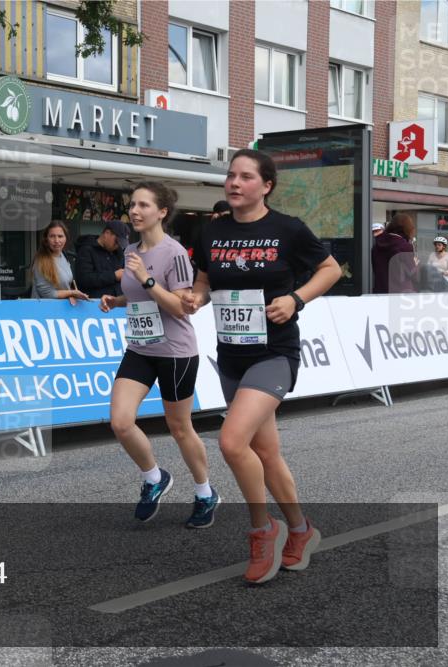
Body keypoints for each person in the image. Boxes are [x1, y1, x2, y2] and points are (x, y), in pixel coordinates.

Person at [182, 149, 341, 584]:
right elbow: (205, 277)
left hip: (275, 355)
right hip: (231, 356)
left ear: (266, 185)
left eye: (245, 177)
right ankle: (302, 531)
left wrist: (296, 299)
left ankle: (262, 530)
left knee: (233, 443)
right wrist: (196, 297)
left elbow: (330, 268)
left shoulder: (287, 229)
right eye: (230, 175)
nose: (234, 183)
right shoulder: (212, 231)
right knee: (267, 454)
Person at [99, 182, 219, 528]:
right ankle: (154, 478)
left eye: (143, 205)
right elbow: (138, 297)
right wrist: (117, 299)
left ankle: (205, 492)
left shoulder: (175, 253)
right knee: (121, 421)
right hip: (140, 346)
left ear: (162, 212)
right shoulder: (131, 250)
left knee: (180, 428)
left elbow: (183, 309)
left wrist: (146, 279)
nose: (134, 211)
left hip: (175, 352)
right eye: (132, 205)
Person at [30, 221, 89, 303]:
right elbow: (47, 294)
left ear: (66, 238)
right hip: (44, 312)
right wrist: (72, 293)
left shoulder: (64, 255)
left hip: (61, 312)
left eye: (60, 236)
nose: (56, 240)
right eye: (52, 236)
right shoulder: (41, 261)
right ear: (46, 239)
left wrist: (72, 294)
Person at [76, 221, 128, 299]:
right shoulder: (86, 250)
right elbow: (84, 279)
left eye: (120, 244)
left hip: (117, 303)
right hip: (95, 304)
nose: (117, 246)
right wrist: (114, 276)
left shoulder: (118, 252)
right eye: (116, 242)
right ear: (106, 233)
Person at [372, 213, 418, 294]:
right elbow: (413, 274)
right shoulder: (405, 247)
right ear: (407, 228)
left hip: (380, 292)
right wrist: (415, 263)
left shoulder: (376, 245)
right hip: (401, 294)